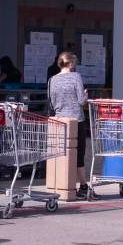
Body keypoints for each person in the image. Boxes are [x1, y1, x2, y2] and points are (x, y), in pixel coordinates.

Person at [47, 52, 89, 197]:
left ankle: (62, 184)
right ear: (70, 63)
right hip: (76, 120)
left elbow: (51, 103)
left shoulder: (52, 80)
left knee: (62, 153)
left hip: (60, 120)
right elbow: (81, 101)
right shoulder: (76, 77)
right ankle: (83, 186)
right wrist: (85, 94)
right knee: (79, 155)